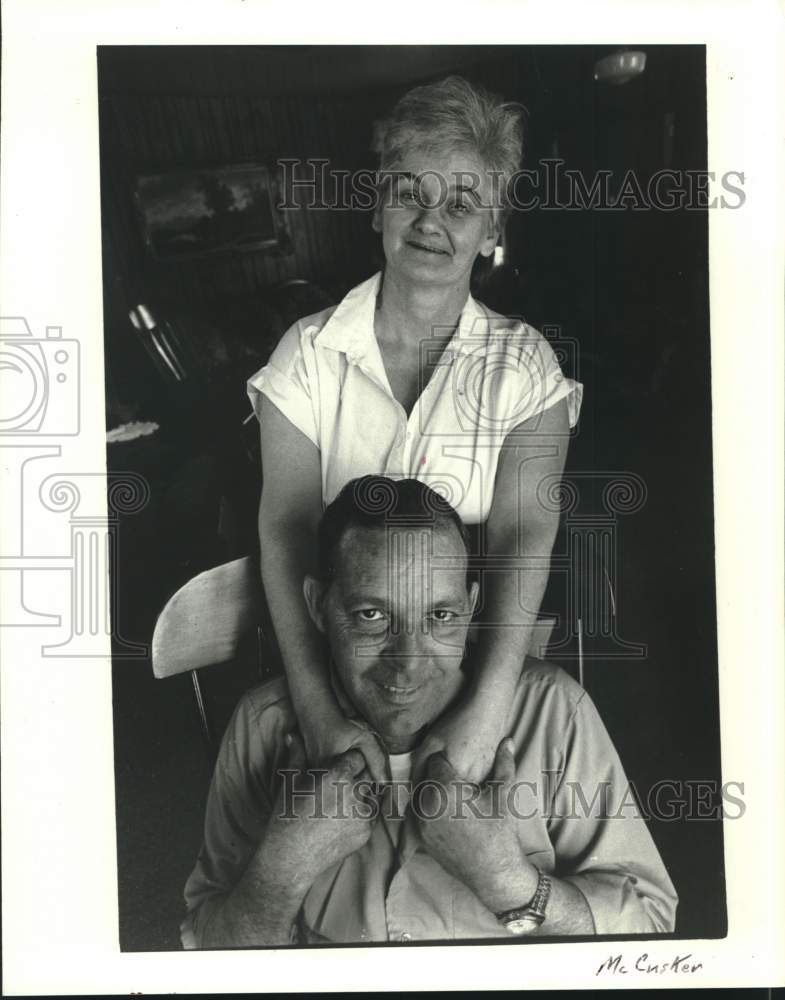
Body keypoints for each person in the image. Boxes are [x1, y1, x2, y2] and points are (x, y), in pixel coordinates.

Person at [249, 75, 583, 786]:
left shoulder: (523, 366)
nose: (432, 219)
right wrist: (316, 711)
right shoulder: (307, 354)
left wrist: (485, 712)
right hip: (341, 678)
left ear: (492, 230)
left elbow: (525, 536)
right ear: (377, 203)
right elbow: (284, 527)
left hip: (467, 680)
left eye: (462, 203)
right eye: (410, 191)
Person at [181, 477, 677, 947]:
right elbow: (208, 953)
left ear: (471, 606)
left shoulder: (553, 713)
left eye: (440, 617)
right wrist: (282, 872)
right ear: (317, 606)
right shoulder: (262, 723)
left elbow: (651, 928)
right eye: (371, 616)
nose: (409, 663)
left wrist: (509, 882)